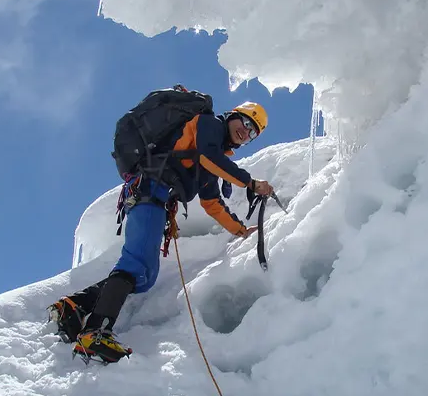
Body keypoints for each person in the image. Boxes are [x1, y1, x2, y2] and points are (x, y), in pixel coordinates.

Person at [49, 88, 274, 364]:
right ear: (233, 116)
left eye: (253, 133)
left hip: (155, 199)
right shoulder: (208, 125)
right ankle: (95, 332)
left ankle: (74, 306)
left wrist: (240, 231)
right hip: (150, 190)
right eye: (246, 122)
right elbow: (208, 157)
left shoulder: (211, 157)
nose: (246, 131)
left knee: (144, 276)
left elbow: (211, 202)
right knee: (136, 265)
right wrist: (250, 183)